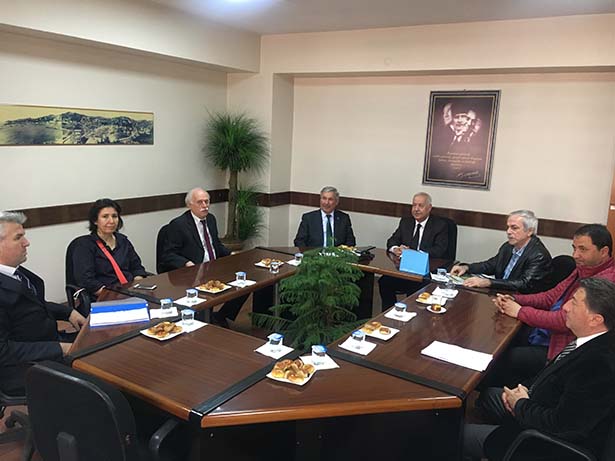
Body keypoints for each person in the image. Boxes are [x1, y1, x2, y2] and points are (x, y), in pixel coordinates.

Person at [464, 277, 615, 461]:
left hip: (543, 445)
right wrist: (523, 389)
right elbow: (550, 377)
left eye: (574, 303)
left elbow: (563, 426)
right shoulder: (588, 340)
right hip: (535, 405)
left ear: (595, 320)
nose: (565, 307)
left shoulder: (599, 365)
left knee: (454, 434)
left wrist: (520, 405)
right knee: (488, 397)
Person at [488, 224, 615, 387]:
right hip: (549, 334)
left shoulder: (606, 282)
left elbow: (565, 321)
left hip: (565, 347)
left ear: (603, 252)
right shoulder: (583, 269)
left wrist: (519, 311)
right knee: (502, 339)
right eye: (574, 248)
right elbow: (551, 297)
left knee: (505, 356)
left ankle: (498, 395)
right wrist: (515, 299)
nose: (575, 255)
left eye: (583, 249)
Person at [0, 211, 86, 395]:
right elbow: (3, 351)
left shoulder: (15, 272)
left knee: (101, 343)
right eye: (18, 237)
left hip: (46, 342)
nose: (26, 242)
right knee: (101, 373)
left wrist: (68, 312)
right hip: (24, 366)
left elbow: (33, 304)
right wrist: (59, 348)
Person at [160, 187, 246, 327]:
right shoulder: (179, 225)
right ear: (189, 205)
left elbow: (216, 245)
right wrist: (187, 263)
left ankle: (221, 316)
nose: (205, 206)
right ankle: (205, 321)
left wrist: (231, 254)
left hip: (213, 267)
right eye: (200, 202)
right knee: (205, 301)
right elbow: (168, 254)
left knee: (244, 285)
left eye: (207, 201)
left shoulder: (210, 219)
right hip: (193, 272)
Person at [451, 210, 552, 294]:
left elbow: (524, 284)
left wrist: (489, 282)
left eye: (514, 228)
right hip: (501, 293)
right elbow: (491, 265)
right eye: (508, 227)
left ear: (529, 231)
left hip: (520, 300)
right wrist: (467, 267)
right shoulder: (508, 246)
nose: (508, 231)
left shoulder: (539, 255)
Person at [378, 192, 450, 309]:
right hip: (405, 270)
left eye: (420, 206)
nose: (416, 209)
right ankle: (388, 313)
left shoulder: (440, 225)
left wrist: (413, 253)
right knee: (384, 282)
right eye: (414, 205)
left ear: (429, 208)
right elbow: (392, 241)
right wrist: (396, 249)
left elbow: (439, 250)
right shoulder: (406, 222)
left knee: (416, 289)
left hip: (425, 273)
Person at [70, 198, 147, 298]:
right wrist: (113, 296)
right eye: (105, 217)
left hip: (129, 292)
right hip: (104, 296)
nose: (111, 221)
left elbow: (137, 268)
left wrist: (137, 287)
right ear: (95, 221)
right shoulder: (84, 245)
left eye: (114, 216)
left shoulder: (123, 241)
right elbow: (87, 281)